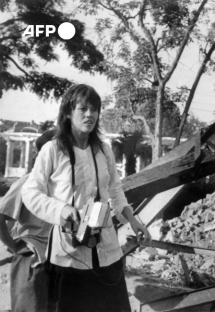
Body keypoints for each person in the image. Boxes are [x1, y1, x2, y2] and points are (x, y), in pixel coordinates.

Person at [22, 84, 151, 312]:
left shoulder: (104, 150)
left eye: (94, 109)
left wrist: (133, 220)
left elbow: (115, 190)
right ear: (68, 113)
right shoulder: (52, 150)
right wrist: (60, 210)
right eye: (83, 109)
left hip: (106, 252)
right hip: (68, 255)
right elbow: (30, 192)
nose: (90, 115)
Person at [0, 129, 56, 312]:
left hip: (59, 261)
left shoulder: (64, 188)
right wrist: (15, 247)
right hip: (31, 261)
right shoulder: (27, 183)